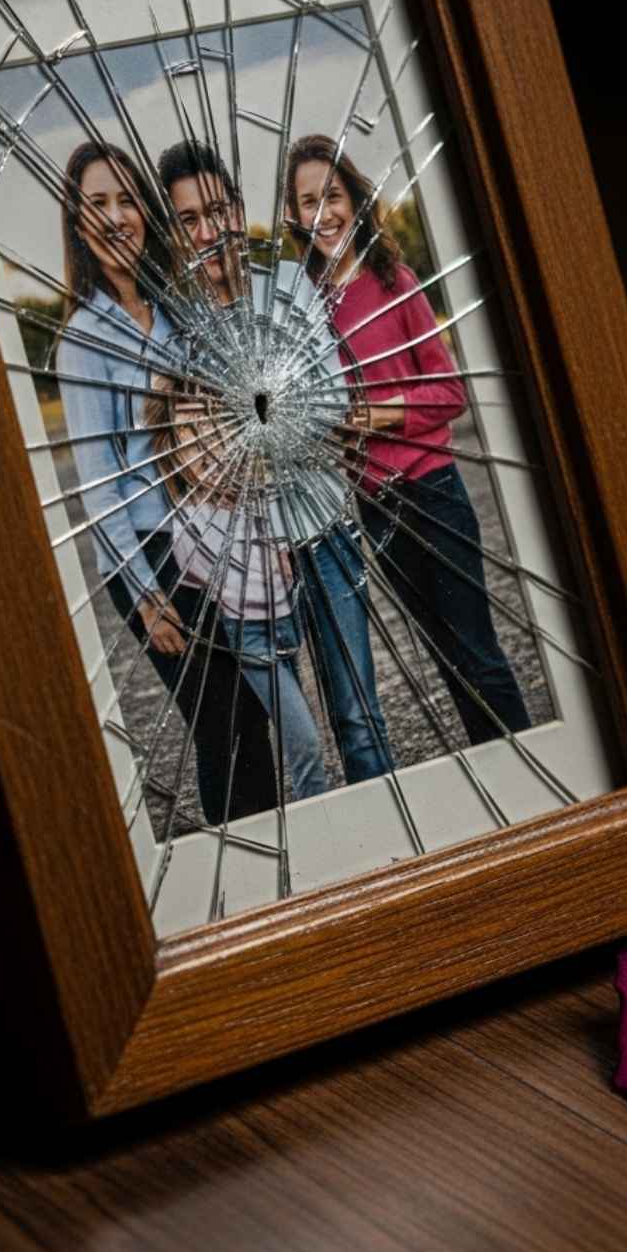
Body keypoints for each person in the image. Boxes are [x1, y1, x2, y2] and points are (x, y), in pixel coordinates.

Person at [156, 137, 394, 786]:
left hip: (323, 529)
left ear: (238, 210)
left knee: (357, 716)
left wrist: (248, 435)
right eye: (189, 221)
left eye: (218, 211)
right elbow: (193, 451)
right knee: (298, 747)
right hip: (249, 562)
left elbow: (332, 402)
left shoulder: (288, 282)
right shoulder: (181, 331)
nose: (209, 232)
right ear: (177, 234)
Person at [56, 139, 278, 825]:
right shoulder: (82, 340)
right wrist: (148, 598)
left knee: (250, 718)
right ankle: (245, 884)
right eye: (99, 203)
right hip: (149, 556)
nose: (117, 216)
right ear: (78, 221)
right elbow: (99, 488)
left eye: (127, 200)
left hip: (205, 535)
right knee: (223, 724)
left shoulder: (173, 312)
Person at [285, 133, 530, 748]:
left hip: (433, 492)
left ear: (354, 199)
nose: (324, 214)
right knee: (445, 659)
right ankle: (492, 766)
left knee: (478, 653)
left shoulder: (393, 281)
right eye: (308, 202)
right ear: (294, 215)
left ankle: (526, 764)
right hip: (375, 506)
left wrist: (380, 415)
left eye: (333, 195)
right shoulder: (303, 306)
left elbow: (450, 393)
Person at [149, 377, 328, 803]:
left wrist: (279, 546)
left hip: (287, 624)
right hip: (251, 638)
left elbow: (281, 549)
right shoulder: (189, 521)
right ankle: (321, 821)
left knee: (300, 735)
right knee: (305, 745)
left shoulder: (258, 497)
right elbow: (203, 578)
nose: (208, 449)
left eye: (216, 430)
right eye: (191, 438)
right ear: (174, 450)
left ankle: (316, 812)